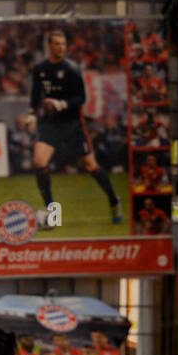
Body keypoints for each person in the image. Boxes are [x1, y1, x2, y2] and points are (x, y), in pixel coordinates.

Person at [26, 30, 123, 226]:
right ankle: (52, 214)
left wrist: (61, 104)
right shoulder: (40, 69)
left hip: (72, 124)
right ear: (49, 46)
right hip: (50, 124)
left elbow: (81, 98)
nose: (61, 47)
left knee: (90, 166)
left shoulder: (72, 69)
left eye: (63, 44)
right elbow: (36, 94)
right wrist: (31, 114)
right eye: (56, 44)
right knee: (39, 162)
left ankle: (113, 200)